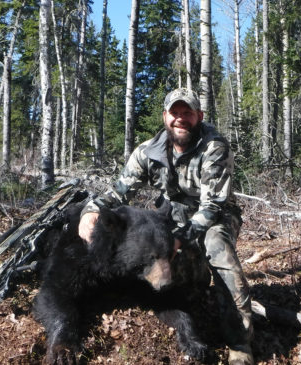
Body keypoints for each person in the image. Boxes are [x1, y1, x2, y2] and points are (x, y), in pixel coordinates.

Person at [78, 88, 254, 365]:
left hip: (216, 215)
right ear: (165, 117)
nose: (180, 119)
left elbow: (212, 207)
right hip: (172, 214)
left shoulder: (214, 147)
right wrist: (91, 211)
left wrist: (178, 240)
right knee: (151, 249)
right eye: (175, 113)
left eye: (188, 113)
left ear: (199, 116)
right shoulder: (149, 151)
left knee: (217, 249)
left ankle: (239, 341)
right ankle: (184, 292)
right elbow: (119, 191)